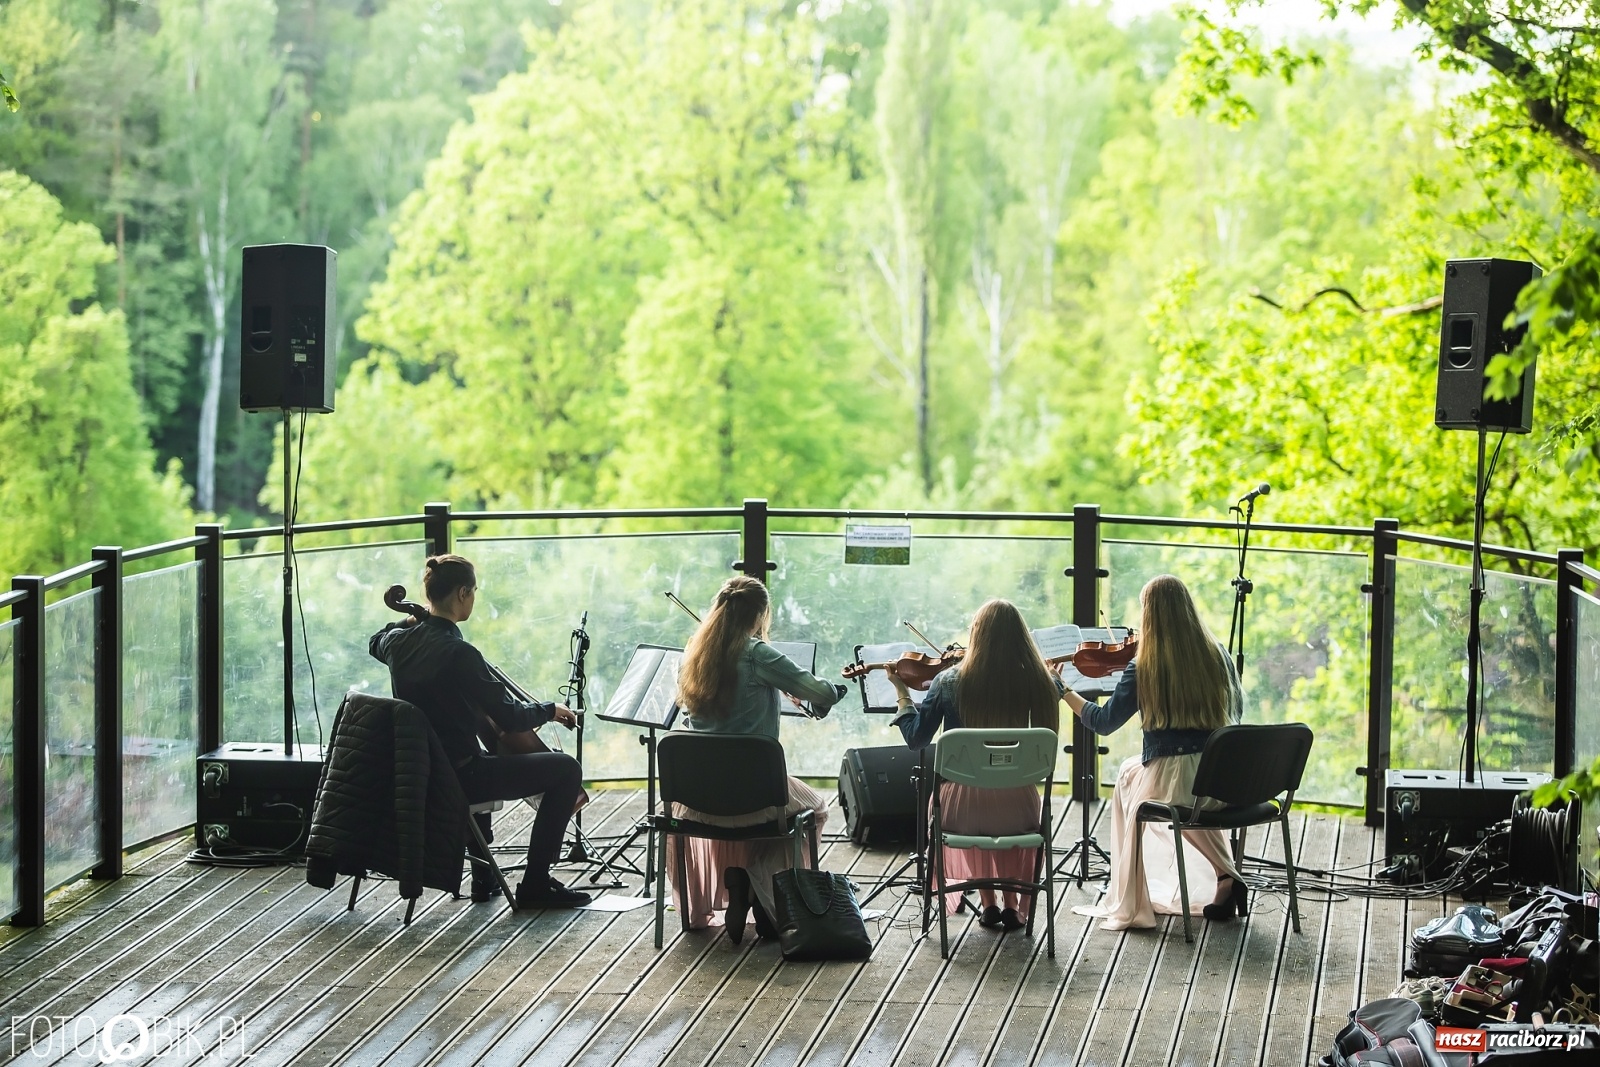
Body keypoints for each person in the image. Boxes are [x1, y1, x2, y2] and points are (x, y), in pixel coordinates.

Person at [369, 554, 591, 909]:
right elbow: (511, 717)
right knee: (566, 770)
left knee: (481, 755)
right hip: (461, 778)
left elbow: (375, 639)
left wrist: (413, 618)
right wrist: (551, 710)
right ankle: (535, 884)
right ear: (461, 594)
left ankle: (483, 879)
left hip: (422, 774)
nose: (473, 598)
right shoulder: (460, 654)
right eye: (472, 592)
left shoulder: (399, 644)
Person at [672, 576, 847, 943]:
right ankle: (761, 888)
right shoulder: (757, 654)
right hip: (752, 793)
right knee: (814, 808)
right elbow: (819, 693)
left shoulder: (694, 655)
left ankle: (744, 886)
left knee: (754, 806)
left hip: (698, 796)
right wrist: (833, 689)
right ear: (759, 614)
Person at [1066, 573, 1246, 931]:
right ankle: (1226, 876)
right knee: (1158, 782)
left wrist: (1063, 690)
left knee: (1131, 778)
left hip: (1180, 782)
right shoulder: (1219, 654)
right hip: (1224, 777)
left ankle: (1128, 892)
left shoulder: (1144, 665)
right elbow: (1236, 712)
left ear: (1149, 615)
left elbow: (1102, 722)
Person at [890, 599, 1062, 932]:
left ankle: (989, 904)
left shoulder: (949, 681)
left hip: (960, 809)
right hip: (1020, 806)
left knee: (973, 806)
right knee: (999, 809)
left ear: (976, 635)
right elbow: (1050, 697)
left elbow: (917, 739)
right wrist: (1052, 679)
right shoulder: (1039, 682)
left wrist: (902, 693)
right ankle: (1011, 905)